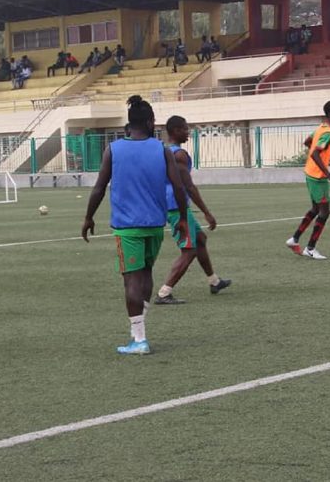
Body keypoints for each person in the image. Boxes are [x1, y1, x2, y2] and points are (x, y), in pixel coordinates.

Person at [82, 95, 189, 355]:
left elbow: (99, 187)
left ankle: (139, 339)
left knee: (131, 279)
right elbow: (177, 186)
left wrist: (88, 217)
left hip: (127, 226)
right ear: (151, 122)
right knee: (146, 274)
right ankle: (139, 330)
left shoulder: (114, 149)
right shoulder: (162, 151)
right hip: (155, 225)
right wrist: (184, 219)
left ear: (129, 124)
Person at [155, 116, 232, 304]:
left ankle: (214, 281)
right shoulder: (179, 155)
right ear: (174, 131)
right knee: (188, 250)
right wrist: (206, 212)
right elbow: (188, 186)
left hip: (168, 203)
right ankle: (164, 293)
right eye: (184, 129)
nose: (188, 132)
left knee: (200, 239)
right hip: (176, 206)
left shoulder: (163, 152)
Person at [285, 101, 330, 260]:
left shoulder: (321, 128)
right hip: (318, 177)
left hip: (310, 173)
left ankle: (294, 239)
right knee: (325, 211)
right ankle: (310, 248)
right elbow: (315, 153)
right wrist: (329, 175)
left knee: (316, 209)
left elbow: (308, 142)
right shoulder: (328, 132)